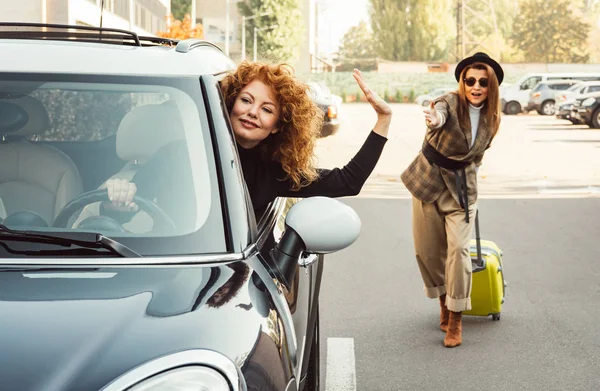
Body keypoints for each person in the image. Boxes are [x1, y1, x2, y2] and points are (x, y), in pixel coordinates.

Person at [104, 61, 392, 220]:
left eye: (267, 109)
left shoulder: (275, 172)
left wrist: (383, 119)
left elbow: (348, 182)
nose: (253, 112)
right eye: (246, 100)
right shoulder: (180, 154)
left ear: (278, 126)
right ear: (230, 104)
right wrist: (117, 199)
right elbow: (125, 209)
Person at [401, 52, 503, 348]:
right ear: (462, 82)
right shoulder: (449, 102)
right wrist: (434, 118)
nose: (475, 86)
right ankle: (444, 303)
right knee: (429, 252)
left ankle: (456, 317)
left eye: (482, 82)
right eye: (469, 80)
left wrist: (470, 175)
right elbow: (439, 113)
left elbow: (480, 154)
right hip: (429, 181)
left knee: (458, 250)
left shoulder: (493, 119)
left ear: (491, 86)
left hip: (461, 190)